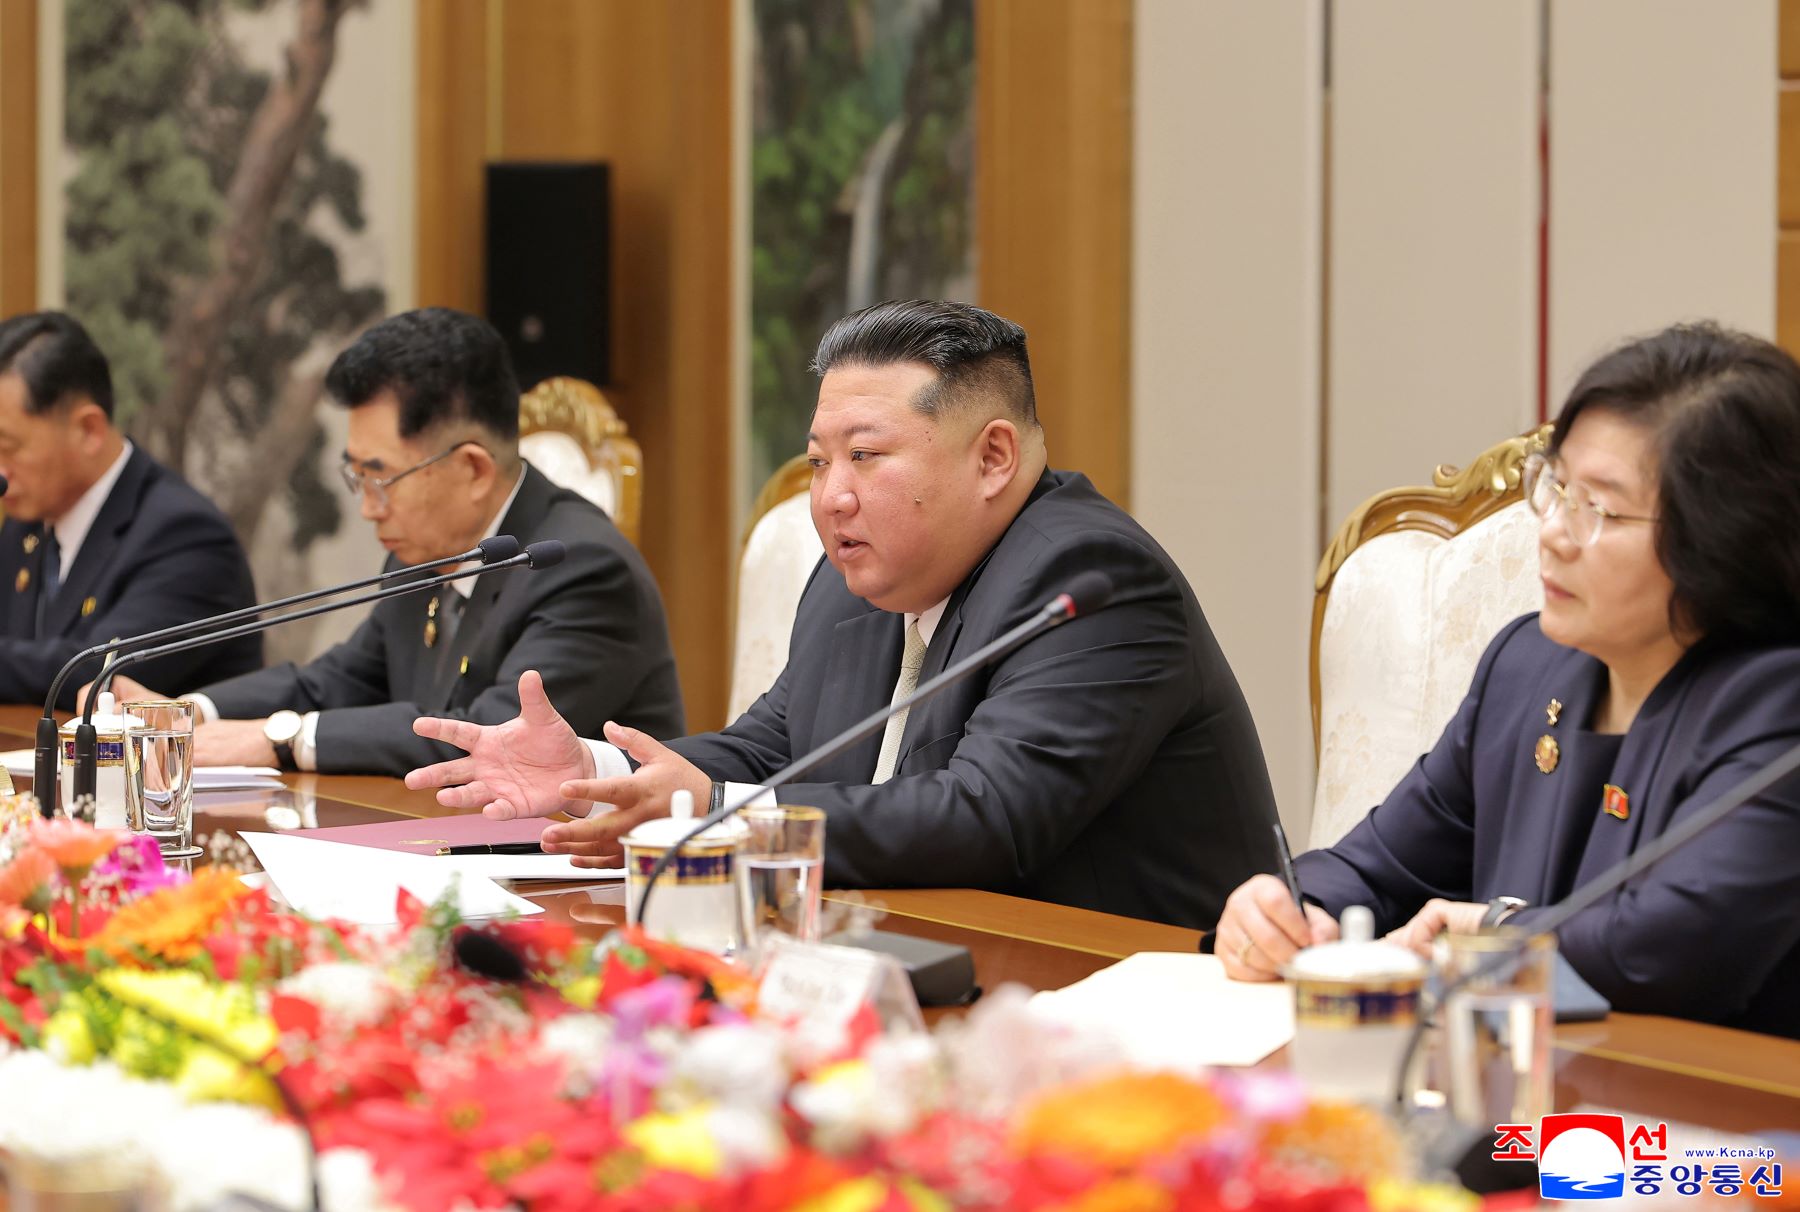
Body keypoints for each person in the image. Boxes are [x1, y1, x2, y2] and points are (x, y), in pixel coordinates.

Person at [406, 299, 1279, 930]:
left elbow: (985, 816)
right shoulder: (849, 579)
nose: (831, 497)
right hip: (910, 957)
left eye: (866, 456)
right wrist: (594, 774)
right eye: (820, 461)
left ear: (993, 458)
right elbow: (770, 750)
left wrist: (714, 808)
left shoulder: (1091, 580)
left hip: (1125, 994)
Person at [1216, 322, 1800, 1039]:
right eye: (1557, 487)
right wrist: (1290, 908)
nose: (1551, 531)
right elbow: (1377, 866)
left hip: (1706, 1106)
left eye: (1600, 509)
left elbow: (1669, 948)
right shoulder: (1526, 668)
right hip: (1515, 1086)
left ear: (1726, 536)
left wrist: (1496, 931)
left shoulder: (1777, 704)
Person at [99, 308, 684, 778]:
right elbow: (335, 682)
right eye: (356, 476)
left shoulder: (582, 569)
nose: (368, 507)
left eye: (381, 478)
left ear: (474, 470)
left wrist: (279, 739)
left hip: (574, 869)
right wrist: (189, 714)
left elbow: (487, 740)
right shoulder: (427, 551)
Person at [0, 311, 260, 707]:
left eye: (7, 447)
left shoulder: (186, 533)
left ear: (88, 430)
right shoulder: (27, 524)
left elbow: (95, 673)